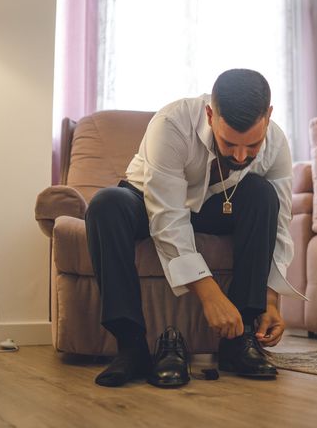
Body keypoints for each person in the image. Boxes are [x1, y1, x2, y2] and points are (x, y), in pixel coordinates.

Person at [85, 68, 305, 388]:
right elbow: (168, 218)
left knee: (262, 194)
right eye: (229, 144)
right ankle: (130, 347)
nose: (241, 157)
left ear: (268, 116)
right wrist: (209, 294)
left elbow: (282, 222)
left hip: (213, 207)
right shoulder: (171, 124)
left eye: (252, 146)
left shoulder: (277, 142)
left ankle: (240, 339)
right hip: (148, 201)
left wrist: (271, 300)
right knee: (105, 205)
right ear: (210, 114)